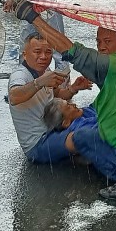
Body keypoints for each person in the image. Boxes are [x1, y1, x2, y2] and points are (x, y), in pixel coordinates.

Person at [15, 1, 116, 202]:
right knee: (99, 118)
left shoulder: (111, 64)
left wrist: (33, 18)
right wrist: (72, 88)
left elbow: (71, 50)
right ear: (24, 54)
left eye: (107, 41)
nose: (101, 47)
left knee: (84, 137)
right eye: (98, 41)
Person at [8, 32, 93, 164]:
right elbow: (14, 97)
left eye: (48, 52)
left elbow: (58, 94)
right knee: (85, 136)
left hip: (55, 130)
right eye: (37, 51)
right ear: (25, 54)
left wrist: (74, 88)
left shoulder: (45, 71)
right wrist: (39, 82)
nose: (43, 56)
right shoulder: (20, 75)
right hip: (38, 144)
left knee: (94, 111)